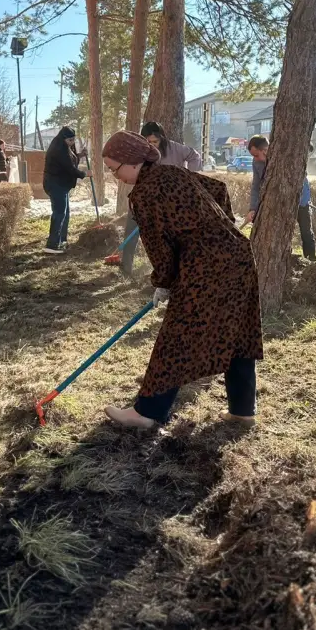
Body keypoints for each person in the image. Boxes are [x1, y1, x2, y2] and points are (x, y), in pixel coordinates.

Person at [101, 131, 262, 430]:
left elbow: (160, 248)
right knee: (238, 332)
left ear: (133, 161)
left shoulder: (144, 193)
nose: (115, 176)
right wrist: (221, 225)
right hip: (237, 255)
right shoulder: (172, 172)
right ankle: (242, 410)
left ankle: (147, 412)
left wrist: (163, 281)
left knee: (176, 338)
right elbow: (219, 188)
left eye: (115, 168)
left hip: (207, 267)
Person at [119, 121, 203, 275]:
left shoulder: (175, 148)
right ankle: (125, 267)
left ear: (162, 139)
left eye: (155, 141)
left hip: (169, 200)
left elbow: (194, 156)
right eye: (148, 142)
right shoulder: (140, 152)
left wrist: (192, 177)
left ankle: (170, 271)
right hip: (144, 197)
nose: (152, 145)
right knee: (132, 225)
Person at [246, 135, 316, 262]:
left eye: (256, 155)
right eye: (253, 156)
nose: (255, 159)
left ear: (265, 150)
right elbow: (256, 186)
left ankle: (311, 258)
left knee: (306, 230)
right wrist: (252, 208)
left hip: (300, 197)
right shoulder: (257, 162)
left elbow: (309, 148)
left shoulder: (283, 151)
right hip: (278, 202)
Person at [43, 126, 90, 254]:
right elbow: (69, 168)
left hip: (62, 185)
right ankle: (52, 245)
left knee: (65, 213)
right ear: (63, 139)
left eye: (73, 139)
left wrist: (80, 155)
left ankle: (61, 240)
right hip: (55, 184)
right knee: (59, 213)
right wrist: (84, 174)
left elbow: (71, 159)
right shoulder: (58, 149)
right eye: (70, 140)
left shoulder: (63, 146)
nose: (72, 142)